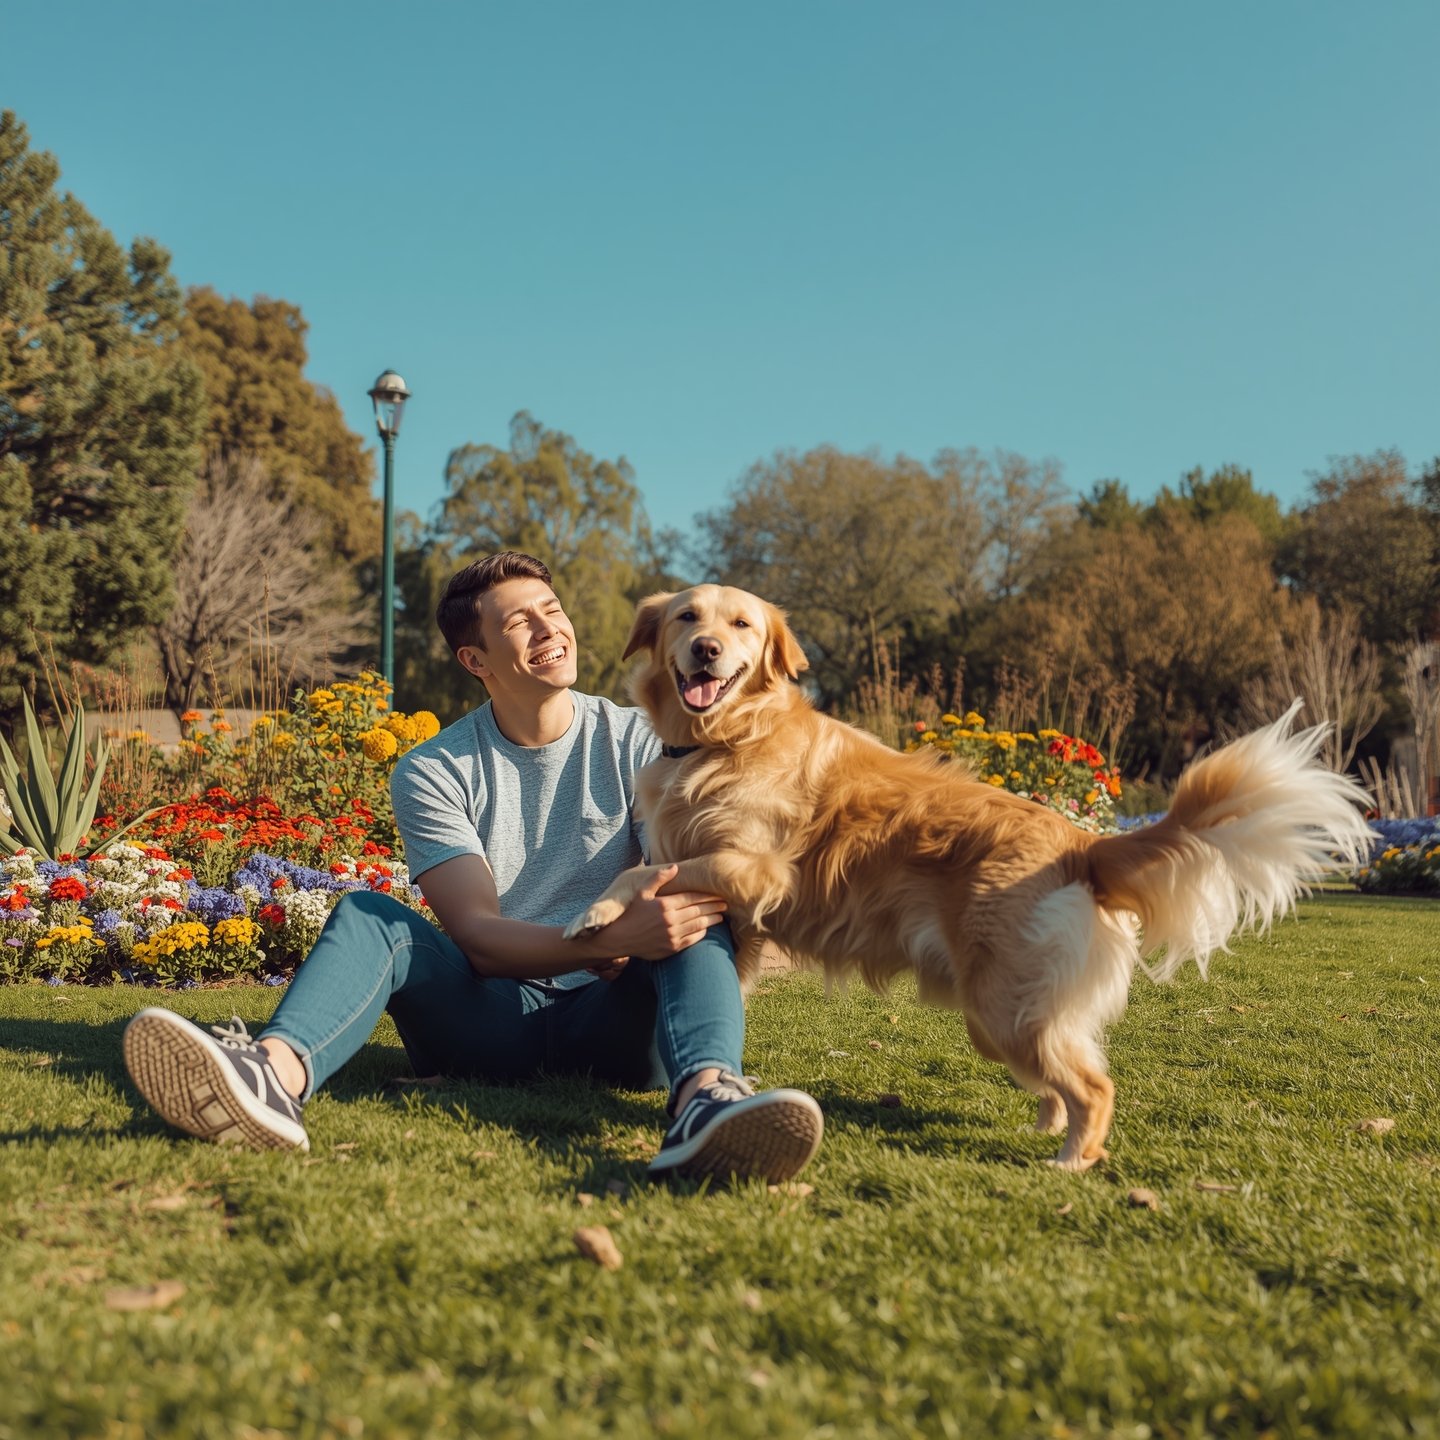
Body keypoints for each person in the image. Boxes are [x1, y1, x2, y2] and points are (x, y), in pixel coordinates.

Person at [122, 551, 823, 1184]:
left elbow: (682, 873)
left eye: (553, 611)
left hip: (619, 1024)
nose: (550, 631)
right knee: (370, 913)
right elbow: (480, 937)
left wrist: (635, 937)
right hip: (487, 1025)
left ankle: (706, 1101)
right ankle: (269, 1080)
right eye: (521, 623)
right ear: (475, 659)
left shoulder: (642, 739)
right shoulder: (432, 769)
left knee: (696, 905)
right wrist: (607, 939)